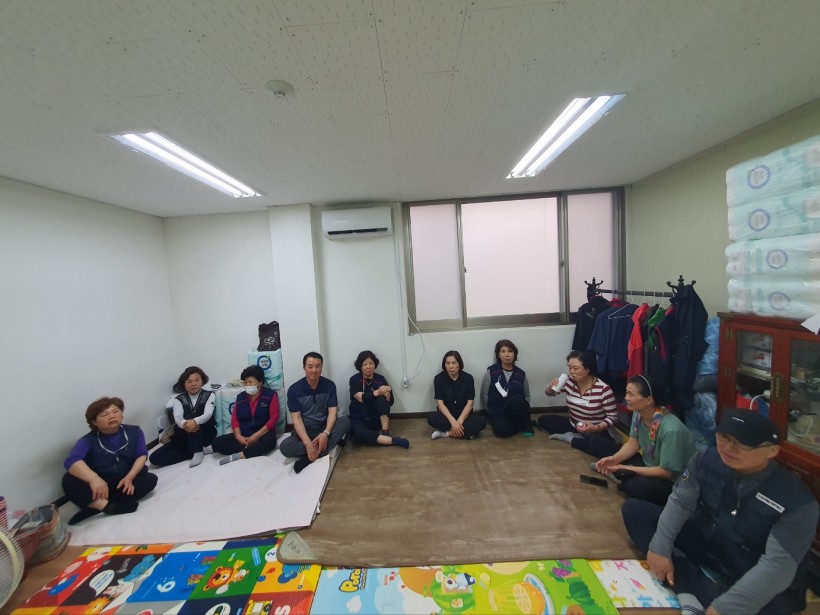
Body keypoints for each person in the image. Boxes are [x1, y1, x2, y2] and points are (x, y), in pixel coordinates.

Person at [622, 409, 819, 615]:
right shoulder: (706, 459)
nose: (728, 448)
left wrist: (724, 608)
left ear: (772, 451)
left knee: (773, 603)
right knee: (635, 512)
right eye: (723, 438)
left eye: (742, 444)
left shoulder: (797, 501)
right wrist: (659, 548)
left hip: (748, 566)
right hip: (712, 543)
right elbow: (680, 502)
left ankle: (691, 585)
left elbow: (777, 565)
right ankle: (692, 586)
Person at [594, 374, 695, 505]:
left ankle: (626, 479)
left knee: (637, 486)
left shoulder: (671, 430)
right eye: (626, 393)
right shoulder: (638, 413)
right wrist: (615, 459)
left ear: (648, 400)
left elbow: (666, 472)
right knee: (601, 445)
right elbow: (633, 443)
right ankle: (623, 476)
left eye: (631, 394)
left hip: (672, 481)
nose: (626, 398)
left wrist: (625, 468)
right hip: (648, 465)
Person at [62, 397, 158, 525]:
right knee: (69, 480)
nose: (112, 416)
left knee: (150, 480)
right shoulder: (87, 441)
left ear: (122, 415)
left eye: (116, 411)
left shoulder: (135, 431)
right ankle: (109, 507)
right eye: (105, 414)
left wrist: (130, 477)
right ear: (94, 422)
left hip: (125, 480)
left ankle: (95, 506)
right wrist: (94, 479)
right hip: (101, 484)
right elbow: (71, 461)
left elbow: (141, 455)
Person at [538, 350, 620, 458]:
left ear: (587, 369)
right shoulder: (568, 381)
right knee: (543, 420)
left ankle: (572, 439)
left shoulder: (603, 389)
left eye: (576, 368)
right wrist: (551, 386)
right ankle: (579, 437)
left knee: (600, 444)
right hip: (574, 424)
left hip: (596, 430)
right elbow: (549, 394)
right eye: (569, 367)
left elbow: (613, 417)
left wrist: (596, 427)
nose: (572, 372)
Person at [280, 352, 351, 473]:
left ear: (322, 367)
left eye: (317, 366)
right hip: (304, 432)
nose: (314, 370)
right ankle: (321, 449)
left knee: (347, 421)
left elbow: (332, 412)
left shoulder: (329, 385)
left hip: (323, 428)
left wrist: (326, 433)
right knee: (285, 447)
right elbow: (296, 419)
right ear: (304, 368)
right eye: (310, 366)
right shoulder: (294, 390)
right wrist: (308, 444)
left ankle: (309, 457)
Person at [149, 366, 217, 468]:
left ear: (202, 381)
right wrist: (185, 424)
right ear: (184, 384)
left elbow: (208, 414)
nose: (193, 384)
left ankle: (198, 451)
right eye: (189, 381)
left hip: (205, 433)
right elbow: (178, 417)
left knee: (194, 415)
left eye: (197, 380)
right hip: (185, 434)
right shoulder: (178, 399)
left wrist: (194, 421)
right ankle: (197, 451)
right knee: (154, 458)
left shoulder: (209, 395)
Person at [212, 365, 280, 465]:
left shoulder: (270, 395)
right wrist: (238, 436)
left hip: (262, 434)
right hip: (244, 435)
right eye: (245, 382)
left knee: (271, 441)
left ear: (260, 382)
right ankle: (252, 449)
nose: (247, 385)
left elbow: (274, 418)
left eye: (250, 382)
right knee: (216, 443)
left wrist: (256, 435)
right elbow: (235, 419)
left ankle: (241, 455)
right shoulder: (240, 397)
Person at [348, 350, 409, 448]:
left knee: (383, 397)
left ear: (375, 364)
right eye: (365, 364)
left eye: (371, 363)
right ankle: (391, 440)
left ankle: (385, 432)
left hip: (376, 419)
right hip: (360, 419)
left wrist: (388, 391)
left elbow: (391, 402)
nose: (368, 367)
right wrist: (377, 392)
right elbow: (362, 398)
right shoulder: (354, 380)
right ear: (360, 366)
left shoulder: (380, 379)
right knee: (356, 432)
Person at [480, 339, 533, 438]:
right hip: (497, 411)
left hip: (515, 411)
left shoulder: (521, 374)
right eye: (503, 351)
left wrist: (523, 412)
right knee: (501, 431)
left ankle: (527, 423)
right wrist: (490, 410)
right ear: (498, 355)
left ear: (514, 354)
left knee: (517, 399)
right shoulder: (491, 372)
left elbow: (527, 396)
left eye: (510, 351)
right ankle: (523, 424)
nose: (507, 355)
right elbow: (484, 393)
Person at [428, 350, 486, 440]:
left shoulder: (468, 378)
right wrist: (453, 422)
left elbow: (470, 403)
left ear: (459, 364)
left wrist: (459, 421)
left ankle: (447, 433)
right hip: (447, 415)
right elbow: (440, 404)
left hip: (464, 415)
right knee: (431, 418)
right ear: (444, 365)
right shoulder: (439, 379)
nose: (451, 366)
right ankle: (467, 433)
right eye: (448, 363)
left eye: (454, 363)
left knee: (482, 422)